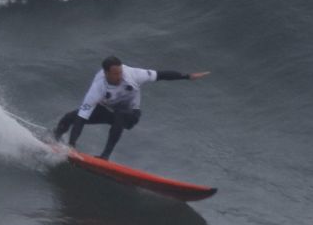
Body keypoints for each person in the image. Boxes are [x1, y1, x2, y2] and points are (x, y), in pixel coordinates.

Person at [51, 55, 209, 160]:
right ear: (106, 73)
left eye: (121, 72)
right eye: (116, 74)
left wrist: (187, 76)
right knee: (70, 117)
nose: (120, 76)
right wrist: (71, 146)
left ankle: (105, 156)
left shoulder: (133, 74)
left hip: (130, 114)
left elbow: (161, 75)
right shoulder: (98, 86)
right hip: (107, 111)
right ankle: (53, 141)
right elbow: (81, 118)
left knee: (120, 113)